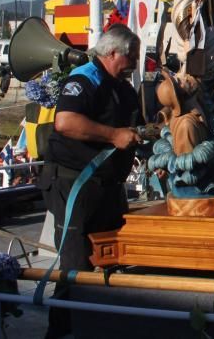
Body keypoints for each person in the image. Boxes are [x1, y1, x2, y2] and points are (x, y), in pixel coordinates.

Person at [39, 25, 143, 338]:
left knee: (111, 258)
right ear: (113, 53)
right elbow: (66, 122)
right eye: (132, 57)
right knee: (75, 267)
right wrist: (113, 135)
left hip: (107, 189)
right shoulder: (85, 78)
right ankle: (62, 332)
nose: (135, 63)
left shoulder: (121, 86)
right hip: (75, 186)